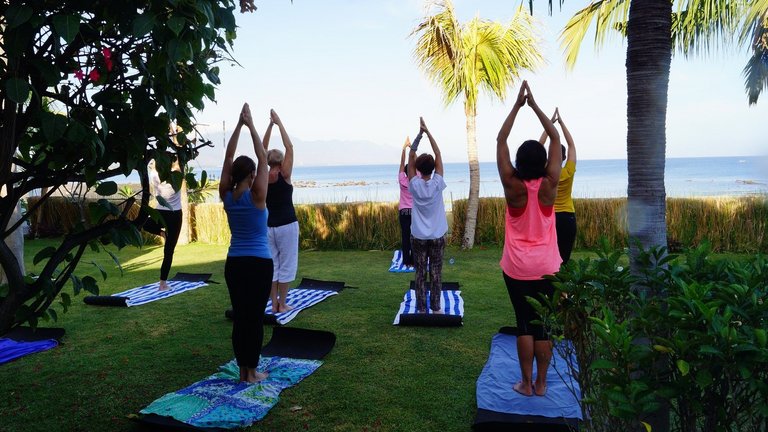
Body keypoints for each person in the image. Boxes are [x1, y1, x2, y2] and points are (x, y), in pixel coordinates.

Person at [496, 81, 562, 397]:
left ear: (520, 164)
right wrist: (535, 106)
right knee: (543, 325)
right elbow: (556, 137)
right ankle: (542, 384)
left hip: (517, 268)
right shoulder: (551, 184)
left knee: (524, 322)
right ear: (544, 162)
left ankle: (525, 382)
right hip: (548, 267)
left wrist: (517, 105)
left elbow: (501, 139)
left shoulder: (512, 186)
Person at [219, 103, 273, 384]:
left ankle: (244, 371)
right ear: (251, 175)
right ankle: (252, 372)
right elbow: (263, 159)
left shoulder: (226, 195)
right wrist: (251, 125)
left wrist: (239, 126)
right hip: (259, 264)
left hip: (235, 264)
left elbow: (229, 156)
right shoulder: (258, 196)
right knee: (254, 318)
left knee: (241, 317)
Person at [407, 117, 448, 314]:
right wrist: (428, 131)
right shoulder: (438, 183)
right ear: (432, 168)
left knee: (420, 272)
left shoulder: (413, 184)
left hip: (418, 237)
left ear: (417, 170)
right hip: (437, 236)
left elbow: (411, 155)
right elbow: (438, 153)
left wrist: (419, 135)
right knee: (436, 272)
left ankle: (422, 308)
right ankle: (436, 308)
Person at [262, 109, 299, 314]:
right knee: (287, 265)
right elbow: (290, 145)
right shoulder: (285, 174)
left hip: (269, 226)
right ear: (281, 160)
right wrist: (278, 122)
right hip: (287, 225)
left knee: (274, 267)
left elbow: (261, 148)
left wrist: (269, 126)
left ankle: (274, 304)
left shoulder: (263, 177)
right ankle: (282, 304)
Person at [539, 108, 577, 264]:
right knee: (564, 257)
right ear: (564, 157)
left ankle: (547, 286)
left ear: (549, 156)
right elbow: (571, 145)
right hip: (567, 217)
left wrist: (549, 125)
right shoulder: (568, 170)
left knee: (548, 255)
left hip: (549, 217)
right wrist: (561, 123)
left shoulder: (544, 171)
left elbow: (538, 146)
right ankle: (562, 287)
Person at [143, 157, 183, 291]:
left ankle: (163, 283)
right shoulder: (177, 174)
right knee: (169, 251)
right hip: (173, 214)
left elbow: (152, 165)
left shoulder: (154, 174)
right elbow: (179, 161)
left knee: (168, 250)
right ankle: (163, 284)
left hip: (164, 213)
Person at [398, 136, 414, 270]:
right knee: (414, 236)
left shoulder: (402, 180)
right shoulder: (416, 181)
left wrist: (403, 149)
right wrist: (412, 148)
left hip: (404, 212)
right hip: (415, 212)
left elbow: (402, 164)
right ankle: (414, 260)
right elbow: (421, 162)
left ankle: (406, 261)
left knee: (405, 237)